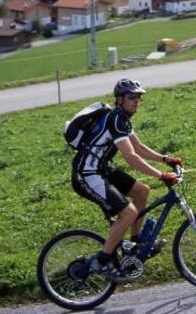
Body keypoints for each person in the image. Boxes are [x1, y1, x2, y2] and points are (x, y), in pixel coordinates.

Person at [71, 78, 183, 280]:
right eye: (132, 97)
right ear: (120, 99)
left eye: (138, 97)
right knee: (129, 213)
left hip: (102, 169)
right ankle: (102, 261)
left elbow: (139, 148)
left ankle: (135, 241)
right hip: (87, 174)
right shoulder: (115, 119)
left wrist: (165, 159)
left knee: (142, 191)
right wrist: (161, 175)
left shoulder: (121, 119)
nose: (136, 101)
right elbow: (131, 157)